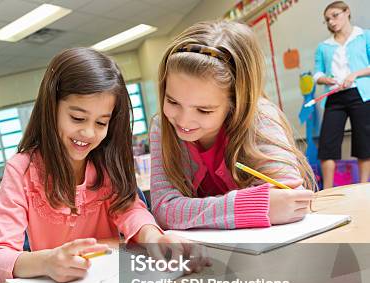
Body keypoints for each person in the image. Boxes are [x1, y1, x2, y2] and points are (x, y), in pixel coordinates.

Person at [0, 48, 207, 283]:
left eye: (101, 122)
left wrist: (153, 237)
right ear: (51, 108)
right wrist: (47, 262)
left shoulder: (106, 161)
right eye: (78, 118)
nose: (89, 133)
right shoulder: (22, 169)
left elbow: (130, 209)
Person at [150, 20, 315, 230]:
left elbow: (289, 201)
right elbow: (164, 210)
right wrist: (247, 206)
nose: (183, 121)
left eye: (204, 110)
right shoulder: (162, 126)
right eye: (172, 101)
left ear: (236, 103)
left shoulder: (260, 116)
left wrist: (196, 211)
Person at [314, 1, 370, 189]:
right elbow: (317, 74)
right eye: (327, 19)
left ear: (347, 13)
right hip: (335, 96)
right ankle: (327, 191)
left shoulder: (364, 36)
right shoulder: (323, 46)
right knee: (327, 144)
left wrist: (355, 74)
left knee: (364, 141)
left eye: (335, 15)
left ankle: (364, 187)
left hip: (360, 94)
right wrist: (326, 80)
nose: (331, 21)